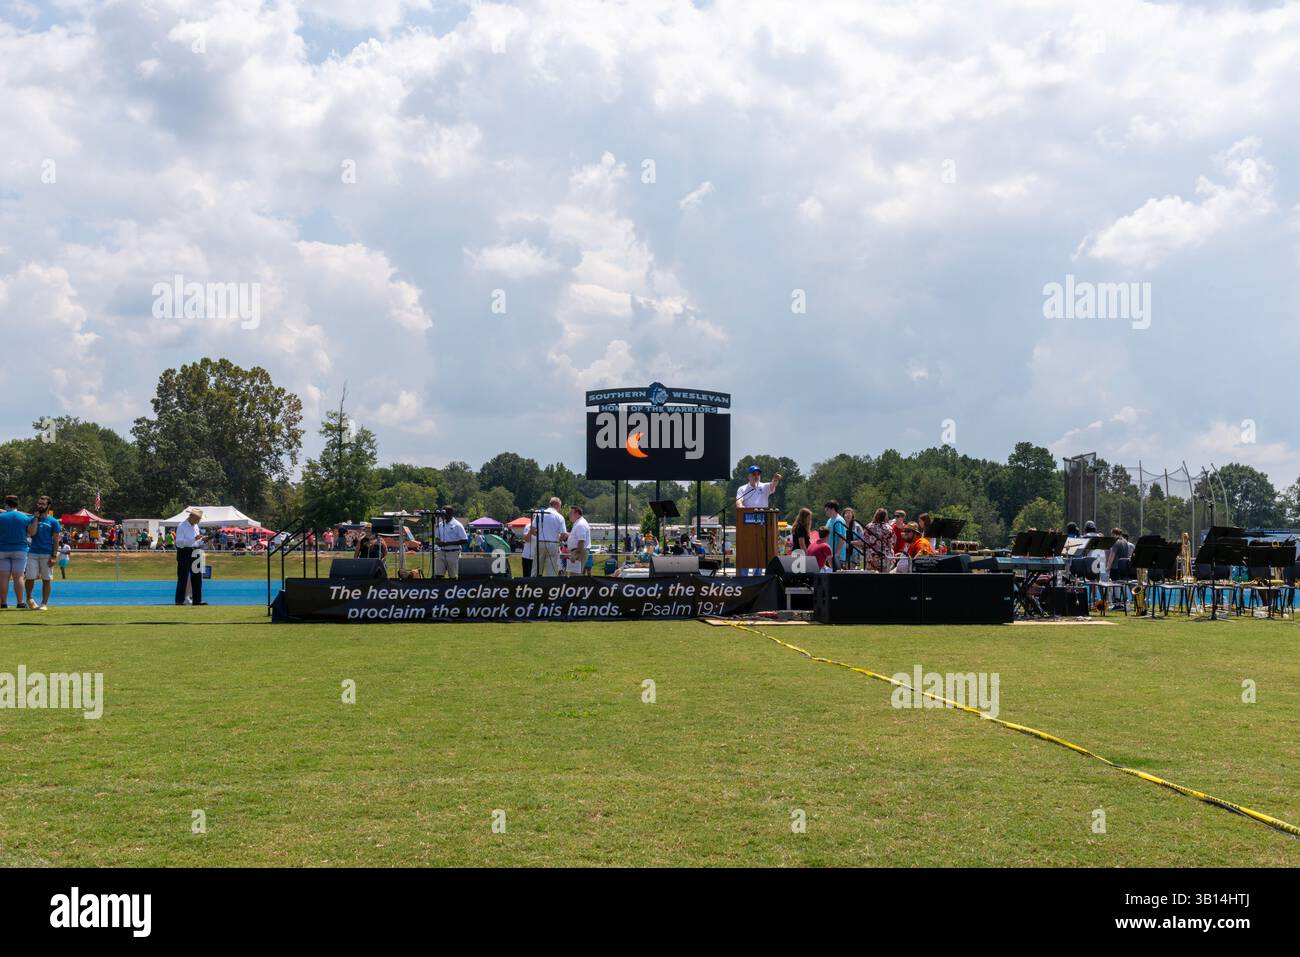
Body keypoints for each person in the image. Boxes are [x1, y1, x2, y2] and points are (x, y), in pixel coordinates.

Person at [24, 495, 60, 610]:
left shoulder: (53, 522)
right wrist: (35, 518)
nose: (40, 506)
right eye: (39, 503)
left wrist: (54, 556)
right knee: (30, 577)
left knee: (46, 579)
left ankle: (44, 604)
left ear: (48, 506)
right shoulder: (32, 519)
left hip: (47, 554)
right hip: (33, 553)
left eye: (43, 504)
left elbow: (56, 540)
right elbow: (32, 533)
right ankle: (29, 599)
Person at [0, 495, 34, 610]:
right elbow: (30, 533)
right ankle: (20, 602)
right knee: (19, 576)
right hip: (20, 549)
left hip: (2, 549)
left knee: (3, 578)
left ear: (7, 504)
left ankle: (3, 603)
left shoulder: (1, 517)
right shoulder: (24, 517)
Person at [174, 508, 207, 606]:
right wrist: (194, 539)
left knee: (197, 577)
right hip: (184, 552)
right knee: (183, 576)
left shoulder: (196, 526)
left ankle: (197, 600)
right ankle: (179, 600)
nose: (198, 521)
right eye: (197, 518)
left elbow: (196, 542)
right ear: (191, 516)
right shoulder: (181, 526)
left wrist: (202, 540)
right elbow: (179, 543)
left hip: (196, 551)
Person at [526, 497, 566, 576]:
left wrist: (539, 534)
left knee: (536, 568)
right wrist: (558, 540)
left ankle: (533, 585)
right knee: (551, 569)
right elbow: (563, 534)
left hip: (540, 542)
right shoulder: (560, 517)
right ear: (557, 505)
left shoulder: (539, 514)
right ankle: (550, 586)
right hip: (553, 544)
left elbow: (532, 530)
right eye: (560, 506)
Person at [433, 507, 469, 579]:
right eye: (442, 513)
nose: (443, 515)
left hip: (453, 552)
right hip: (441, 552)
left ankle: (452, 589)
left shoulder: (457, 525)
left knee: (452, 576)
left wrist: (447, 543)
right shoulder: (440, 524)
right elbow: (437, 537)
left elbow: (464, 540)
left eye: (444, 513)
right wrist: (438, 541)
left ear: (450, 514)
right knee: (438, 575)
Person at [862, 507, 895, 572]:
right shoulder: (888, 528)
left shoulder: (869, 526)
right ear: (885, 517)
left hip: (871, 556)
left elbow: (864, 541)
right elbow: (891, 543)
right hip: (884, 556)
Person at [563, 505, 591, 577]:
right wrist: (569, 535)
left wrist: (576, 555)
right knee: (574, 575)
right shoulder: (578, 523)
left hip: (578, 551)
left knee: (575, 576)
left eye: (570, 513)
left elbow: (581, 541)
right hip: (578, 551)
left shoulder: (580, 524)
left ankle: (576, 588)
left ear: (577, 513)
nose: (568, 514)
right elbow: (577, 537)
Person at [823, 500, 847, 569]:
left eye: (827, 510)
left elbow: (842, 537)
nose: (826, 512)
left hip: (837, 556)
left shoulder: (838, 520)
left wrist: (837, 553)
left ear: (833, 509)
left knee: (837, 576)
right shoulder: (830, 520)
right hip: (830, 555)